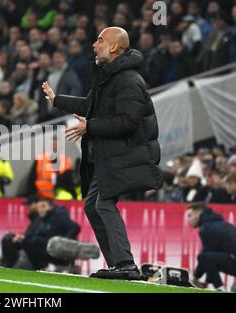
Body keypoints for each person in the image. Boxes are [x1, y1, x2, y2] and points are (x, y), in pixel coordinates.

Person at [42, 27, 162, 276]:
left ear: (114, 47)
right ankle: (118, 264)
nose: (94, 45)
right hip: (109, 157)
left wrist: (90, 126)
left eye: (99, 40)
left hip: (126, 154)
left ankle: (126, 264)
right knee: (92, 205)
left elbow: (128, 121)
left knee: (104, 203)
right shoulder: (108, 78)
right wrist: (56, 100)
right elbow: (89, 105)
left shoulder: (129, 80)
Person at [187, 202, 236, 291]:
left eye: (190, 215)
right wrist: (206, 282)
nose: (188, 220)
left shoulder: (206, 228)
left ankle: (220, 289)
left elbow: (205, 257)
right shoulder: (219, 224)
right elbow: (213, 259)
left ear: (198, 213)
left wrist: (195, 277)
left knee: (203, 256)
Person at [0, 195, 41, 268]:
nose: (28, 207)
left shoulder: (40, 218)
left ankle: (8, 265)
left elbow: (36, 234)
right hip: (30, 241)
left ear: (36, 204)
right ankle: (6, 264)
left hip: (34, 244)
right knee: (8, 238)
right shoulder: (35, 219)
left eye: (30, 204)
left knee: (8, 240)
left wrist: (23, 237)